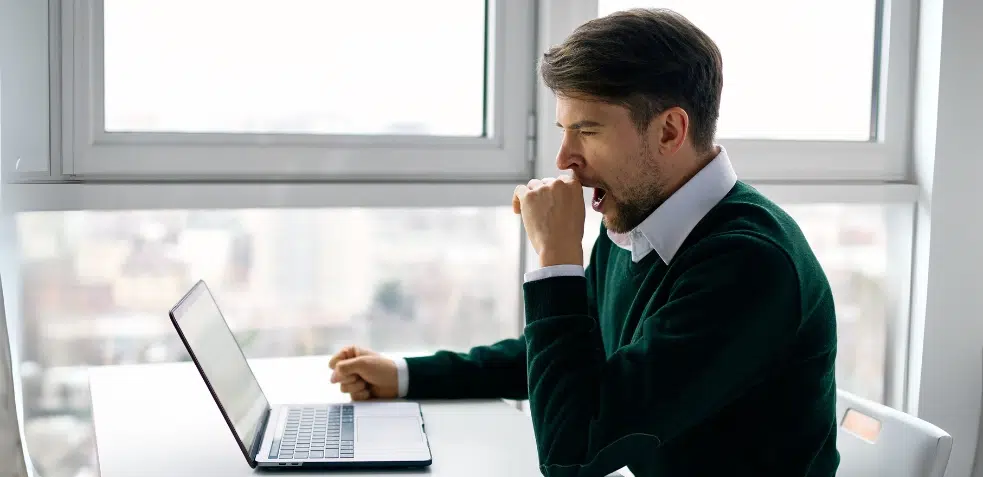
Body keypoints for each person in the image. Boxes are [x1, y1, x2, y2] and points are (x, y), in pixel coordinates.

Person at [329, 8, 839, 477]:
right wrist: (406, 375)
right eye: (563, 130)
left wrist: (556, 262)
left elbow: (572, 457)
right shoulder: (637, 220)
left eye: (587, 131)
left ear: (669, 131)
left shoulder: (749, 264)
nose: (564, 158)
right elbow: (570, 352)